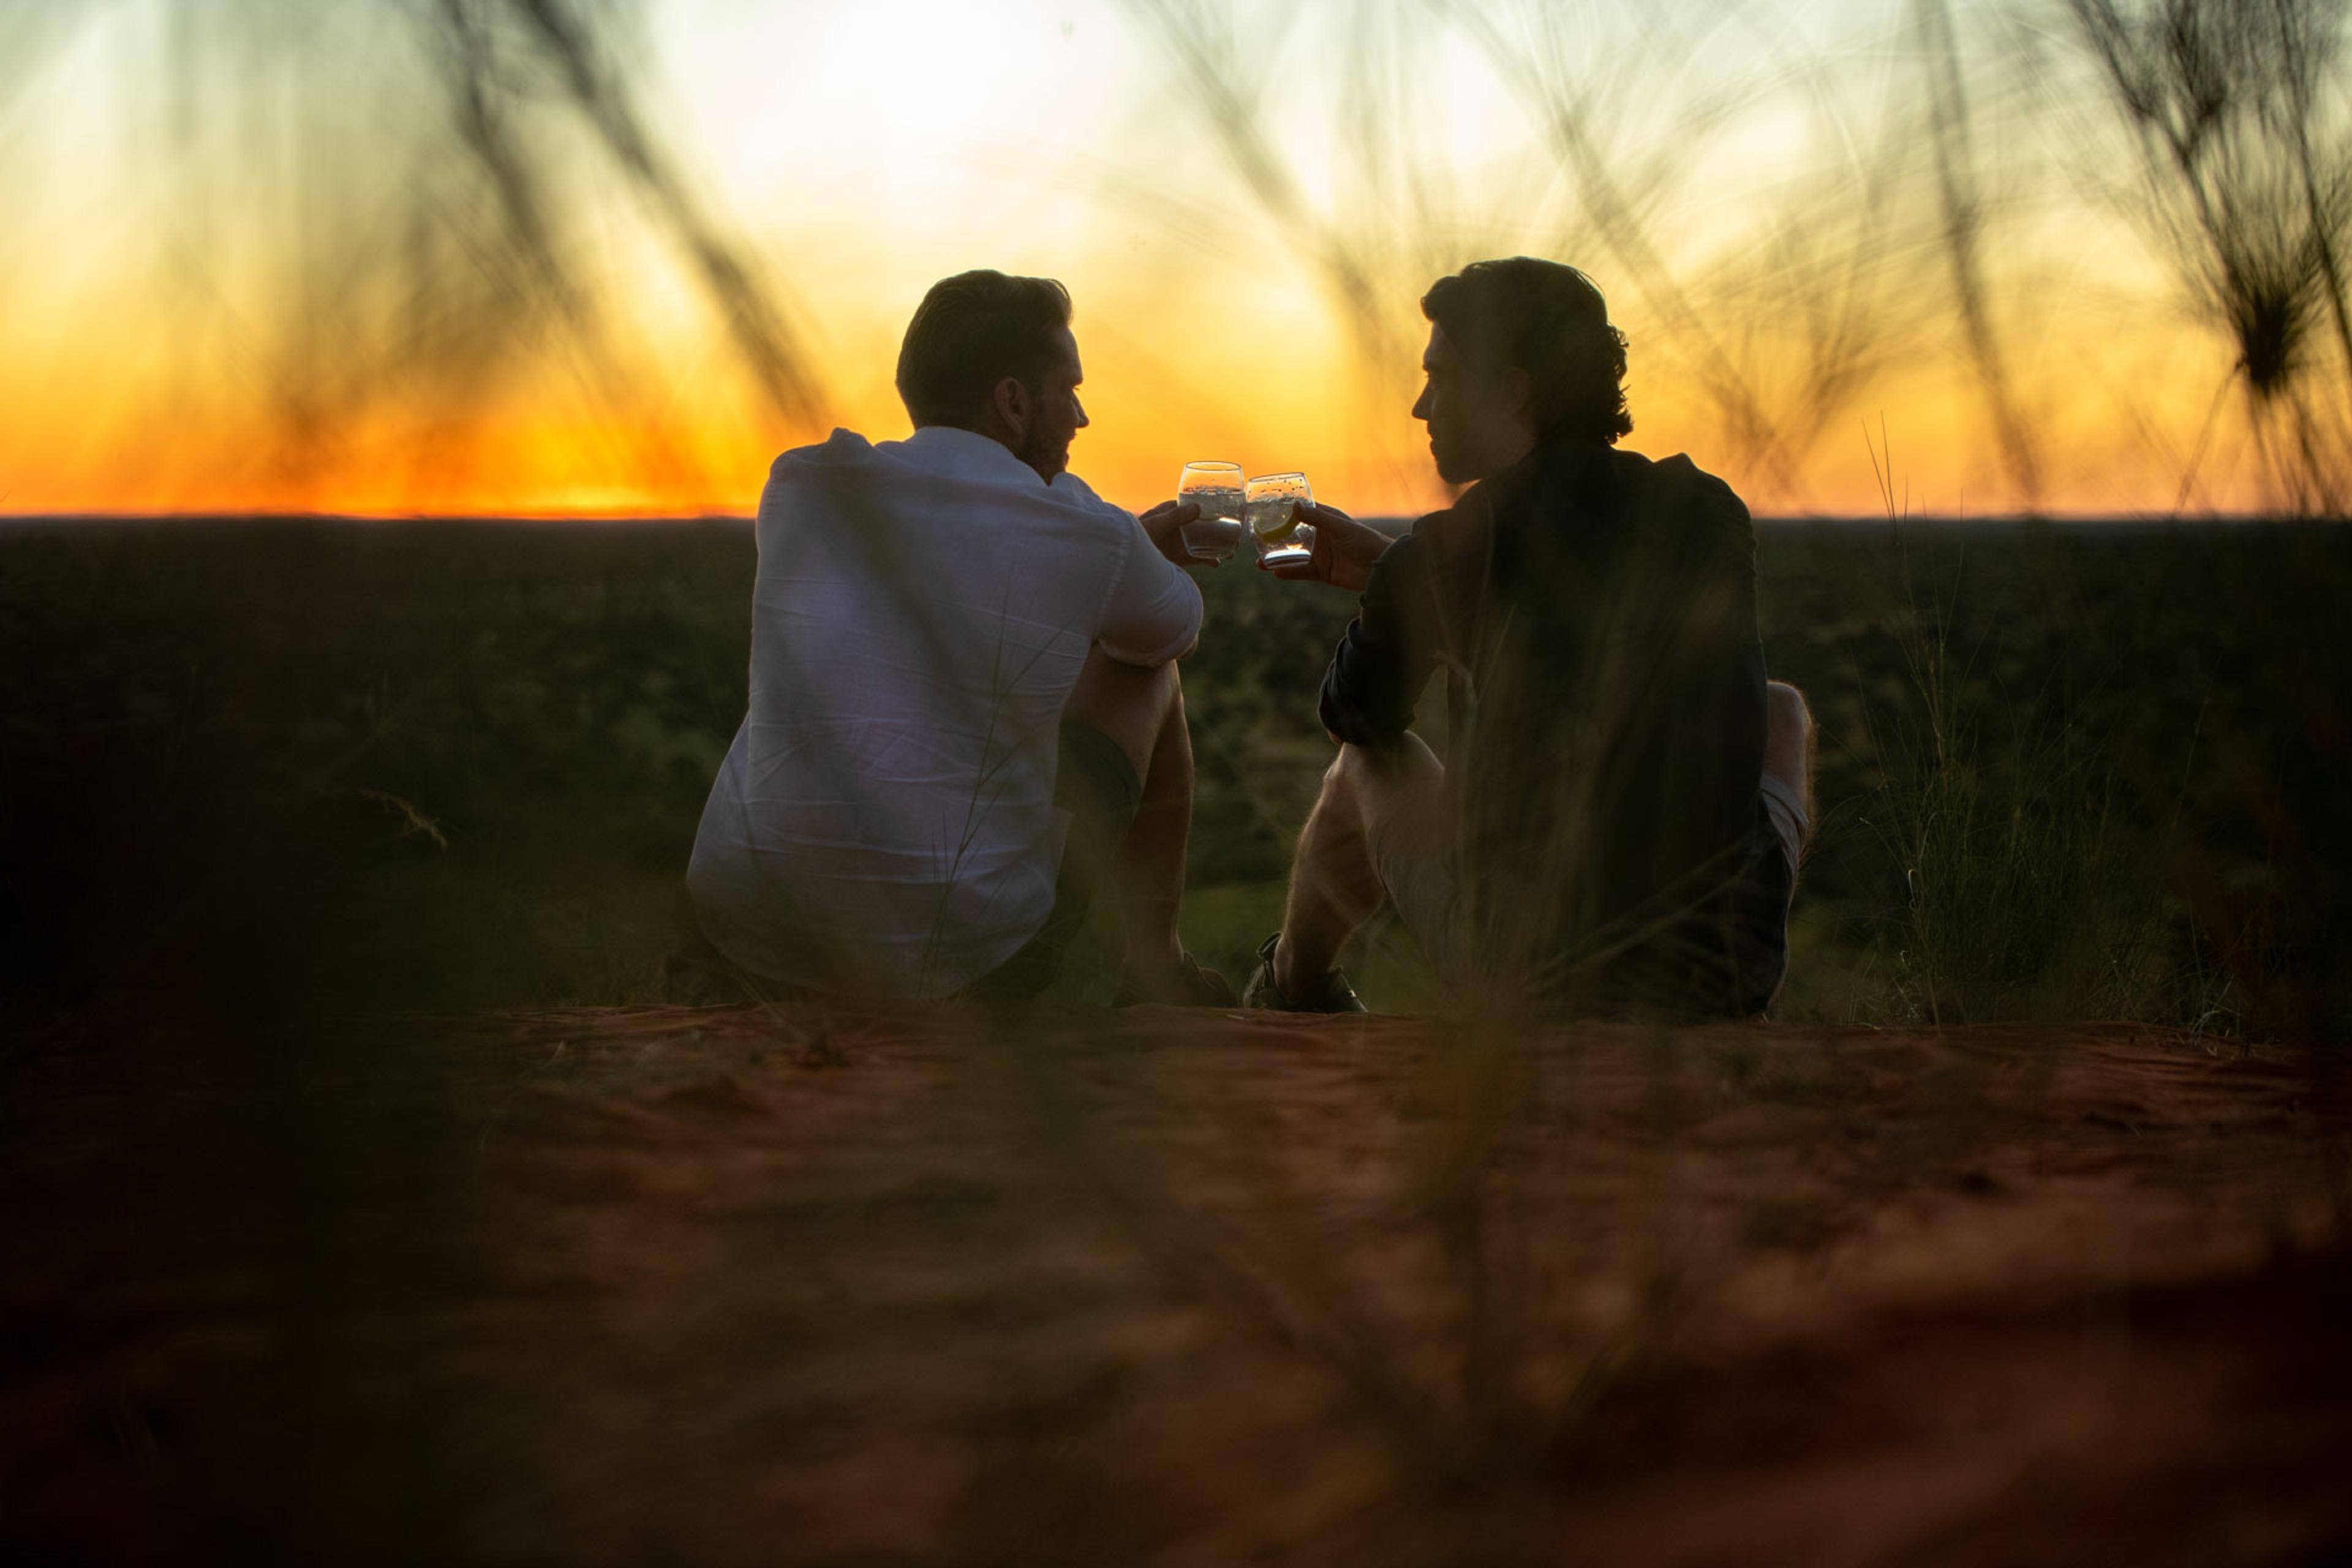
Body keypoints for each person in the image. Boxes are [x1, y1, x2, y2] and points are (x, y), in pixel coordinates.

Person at [1244, 257, 1814, 1020]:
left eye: (1440, 378)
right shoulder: (1708, 510)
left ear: (1511, 392)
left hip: (1542, 978)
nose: (1421, 406)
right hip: (1724, 976)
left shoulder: (1448, 553)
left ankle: (1293, 986)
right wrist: (1395, 572)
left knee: (1362, 766)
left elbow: (1356, 715)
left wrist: (1400, 584)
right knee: (1782, 710)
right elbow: (1590, 605)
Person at [688, 270, 1233, 1005]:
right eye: (1067, 390)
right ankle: (1158, 966)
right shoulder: (1085, 530)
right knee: (1151, 673)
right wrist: (1125, 560)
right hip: (957, 962)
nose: (1081, 417)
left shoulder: (802, 484)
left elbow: (955, 576)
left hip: (753, 934)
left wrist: (1103, 561)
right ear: (1012, 401)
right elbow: (1175, 628)